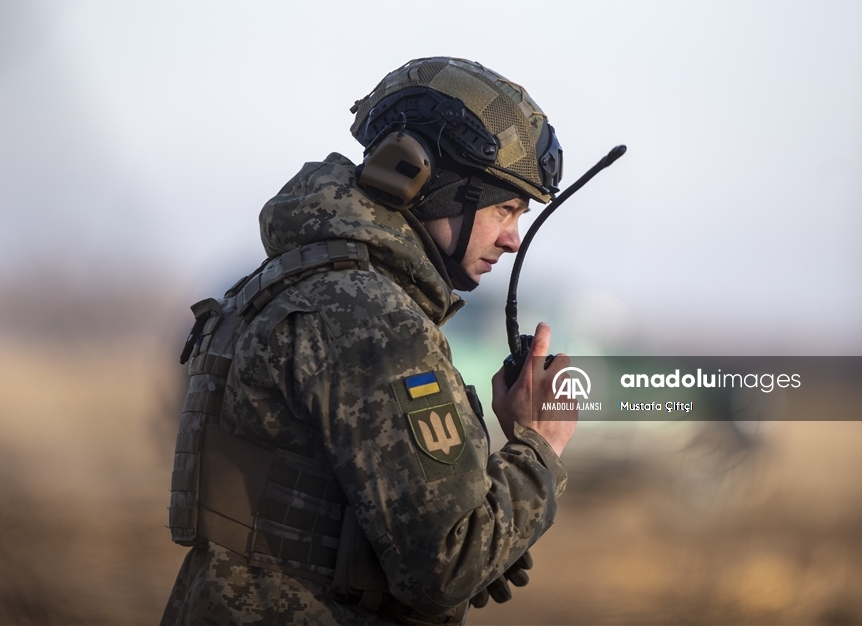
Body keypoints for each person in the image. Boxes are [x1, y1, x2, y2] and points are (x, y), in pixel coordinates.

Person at [161, 57, 578, 625]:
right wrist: (538, 445)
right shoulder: (375, 322)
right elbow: (444, 565)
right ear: (427, 184)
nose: (512, 237)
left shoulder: (298, 281)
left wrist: (489, 522)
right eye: (504, 207)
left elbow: (330, 511)